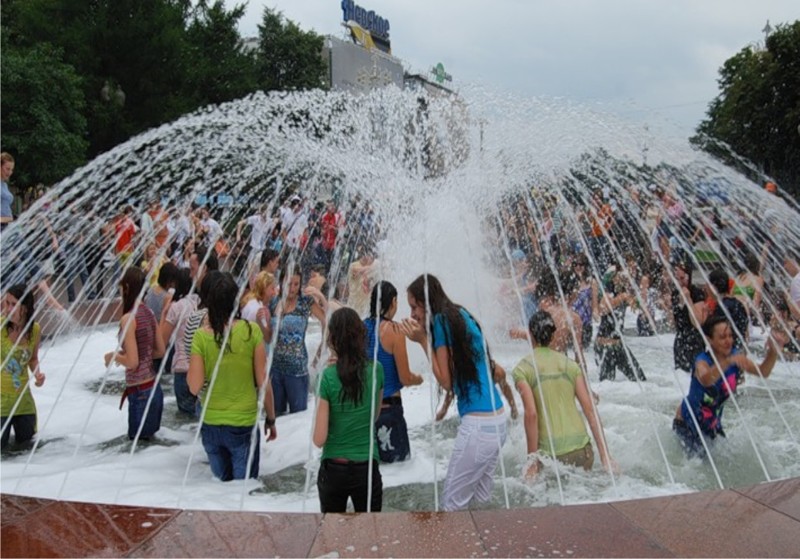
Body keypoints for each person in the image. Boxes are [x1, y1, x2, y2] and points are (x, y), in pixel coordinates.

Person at [401, 274, 507, 512]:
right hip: (497, 420)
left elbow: (447, 381)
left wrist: (421, 340)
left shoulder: (440, 322)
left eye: (414, 307)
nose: (412, 315)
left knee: (451, 506)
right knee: (479, 502)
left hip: (479, 426)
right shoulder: (461, 314)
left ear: (427, 303)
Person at [188, 273, 277, 481]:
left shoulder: (201, 336)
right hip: (242, 425)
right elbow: (263, 381)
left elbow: (194, 386)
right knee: (242, 493)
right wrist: (271, 419)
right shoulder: (251, 331)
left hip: (210, 425)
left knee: (222, 493)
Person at [513, 311, 616, 477]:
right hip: (583, 452)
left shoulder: (523, 369)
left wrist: (532, 462)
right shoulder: (570, 365)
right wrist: (605, 456)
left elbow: (531, 415)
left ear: (530, 335)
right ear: (553, 336)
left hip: (552, 456)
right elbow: (590, 410)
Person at [672, 315, 788, 457]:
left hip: (712, 425)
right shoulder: (702, 361)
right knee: (701, 469)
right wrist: (727, 362)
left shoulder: (735, 357)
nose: (728, 341)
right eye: (722, 337)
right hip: (688, 424)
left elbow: (763, 372)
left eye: (730, 336)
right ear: (709, 340)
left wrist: (773, 352)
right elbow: (706, 379)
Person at [313, 307, 384, 512]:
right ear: (361, 336)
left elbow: (319, 439)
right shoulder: (376, 370)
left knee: (332, 537)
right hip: (367, 469)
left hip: (334, 471)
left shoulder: (326, 377)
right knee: (372, 533)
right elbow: (374, 415)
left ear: (332, 339)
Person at [364, 281, 423, 463]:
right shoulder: (396, 331)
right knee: (399, 469)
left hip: (365, 411)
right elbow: (405, 378)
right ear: (394, 301)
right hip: (389, 410)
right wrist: (419, 379)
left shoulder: (360, 327)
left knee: (374, 472)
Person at [104, 268, 166, 440]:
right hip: (155, 389)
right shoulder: (149, 313)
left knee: (137, 447)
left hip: (140, 393)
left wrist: (113, 356)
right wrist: (133, 354)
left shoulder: (128, 319)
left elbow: (132, 363)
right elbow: (160, 351)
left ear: (127, 287)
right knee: (149, 450)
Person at [269, 268, 326, 415]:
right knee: (276, 417)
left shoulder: (305, 302)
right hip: (275, 369)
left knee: (297, 418)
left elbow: (327, 321)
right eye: (289, 284)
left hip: (297, 371)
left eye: (296, 284)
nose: (292, 288)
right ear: (281, 282)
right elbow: (268, 335)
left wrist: (321, 350)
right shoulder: (274, 302)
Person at [1, 285, 46, 449]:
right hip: (1, 404)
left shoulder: (34, 330)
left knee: (26, 451)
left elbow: (33, 359)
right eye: (6, 303)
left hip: (23, 402)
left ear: (25, 308)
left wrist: (38, 375)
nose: (7, 308)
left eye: (13, 304)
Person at [594, 267, 647, 382]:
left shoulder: (623, 291)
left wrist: (639, 298)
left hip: (619, 346)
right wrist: (622, 298)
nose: (626, 276)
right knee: (606, 386)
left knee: (640, 379)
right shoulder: (608, 291)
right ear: (614, 277)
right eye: (622, 275)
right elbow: (603, 309)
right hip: (605, 346)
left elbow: (639, 306)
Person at [671, 260, 708, 372]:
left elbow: (697, 322)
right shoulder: (675, 294)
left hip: (694, 341)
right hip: (680, 341)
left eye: (682, 279)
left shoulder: (697, 293)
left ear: (689, 277)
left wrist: (688, 300)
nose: (680, 282)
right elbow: (676, 321)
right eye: (677, 279)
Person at [1, 152, 15, 229]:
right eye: (7, 169)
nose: (10, 172)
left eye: (11, 170)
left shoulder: (4, 185)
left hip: (6, 226)